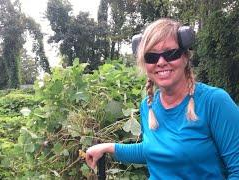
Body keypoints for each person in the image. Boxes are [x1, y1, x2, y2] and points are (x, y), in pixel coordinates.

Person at [85, 18, 239, 179]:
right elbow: (153, 150)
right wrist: (109, 147)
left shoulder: (214, 102)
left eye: (170, 54)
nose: (161, 62)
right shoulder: (148, 105)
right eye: (151, 57)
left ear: (185, 57)